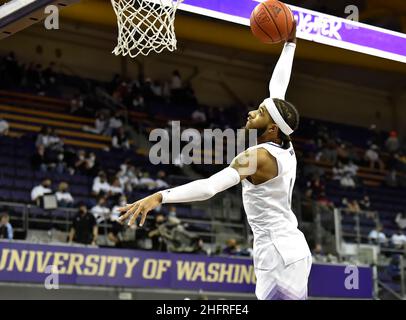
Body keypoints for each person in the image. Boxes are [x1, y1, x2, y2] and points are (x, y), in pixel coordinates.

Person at [119, 23, 312, 301]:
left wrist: (160, 196)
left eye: (258, 114)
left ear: (272, 128)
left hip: (277, 251)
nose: (250, 113)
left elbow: (210, 187)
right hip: (292, 247)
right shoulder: (285, 142)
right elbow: (277, 89)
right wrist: (290, 44)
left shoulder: (256, 158)